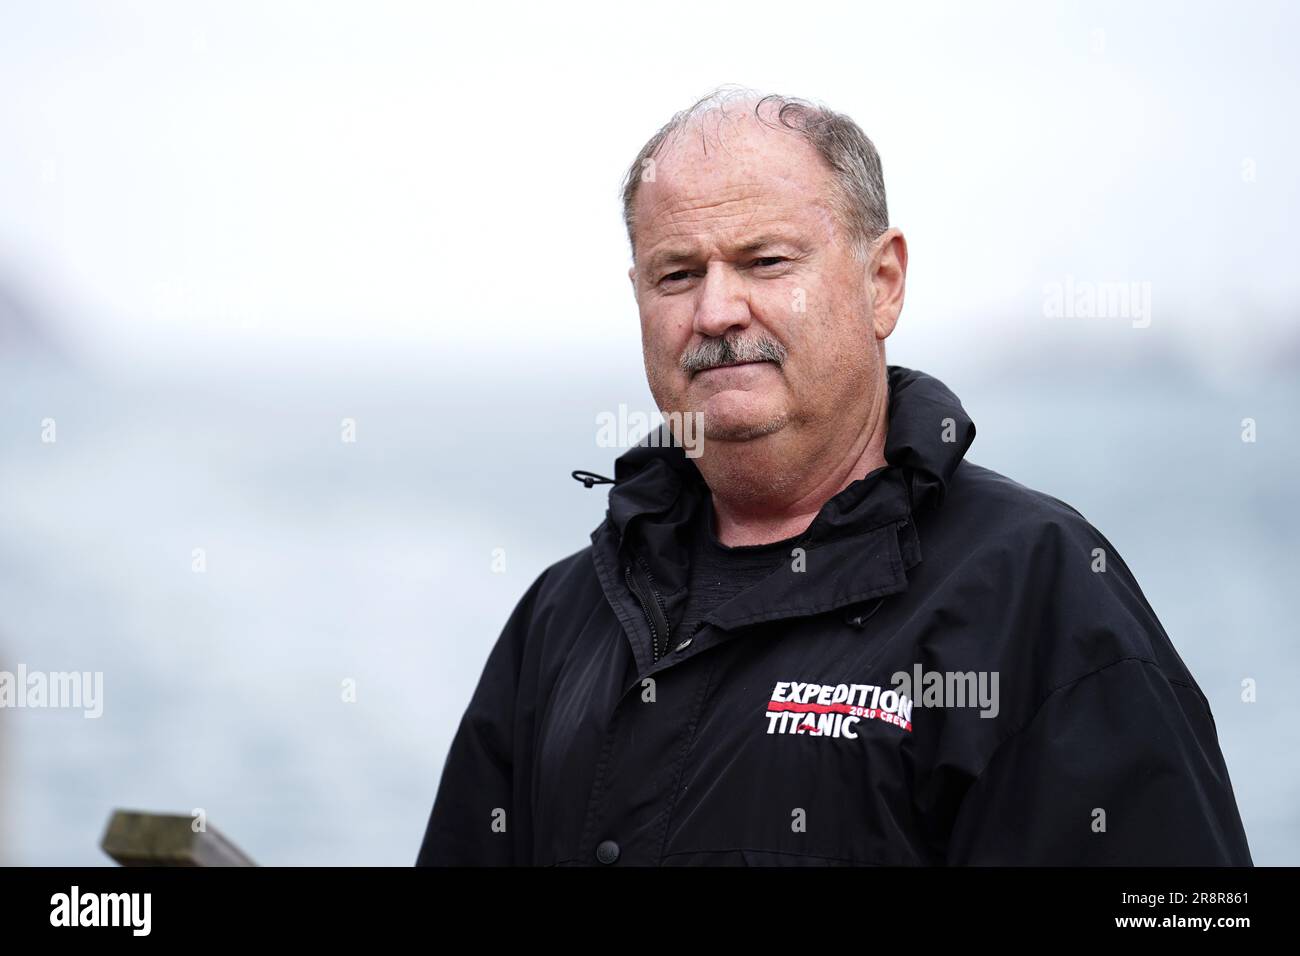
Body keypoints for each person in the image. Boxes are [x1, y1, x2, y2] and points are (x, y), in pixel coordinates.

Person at [415, 87, 1253, 866]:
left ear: (881, 283)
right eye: (677, 274)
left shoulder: (1037, 594)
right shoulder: (567, 618)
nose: (715, 311)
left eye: (767, 261)